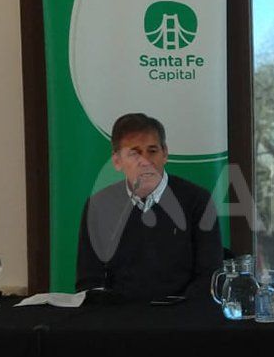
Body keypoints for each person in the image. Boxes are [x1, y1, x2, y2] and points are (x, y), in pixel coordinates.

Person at [76, 113, 223, 300]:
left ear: (165, 154)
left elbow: (209, 275)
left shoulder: (197, 200)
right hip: (118, 318)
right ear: (117, 161)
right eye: (134, 153)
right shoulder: (99, 206)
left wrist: (178, 314)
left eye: (152, 151)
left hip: (180, 317)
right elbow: (88, 280)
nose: (145, 161)